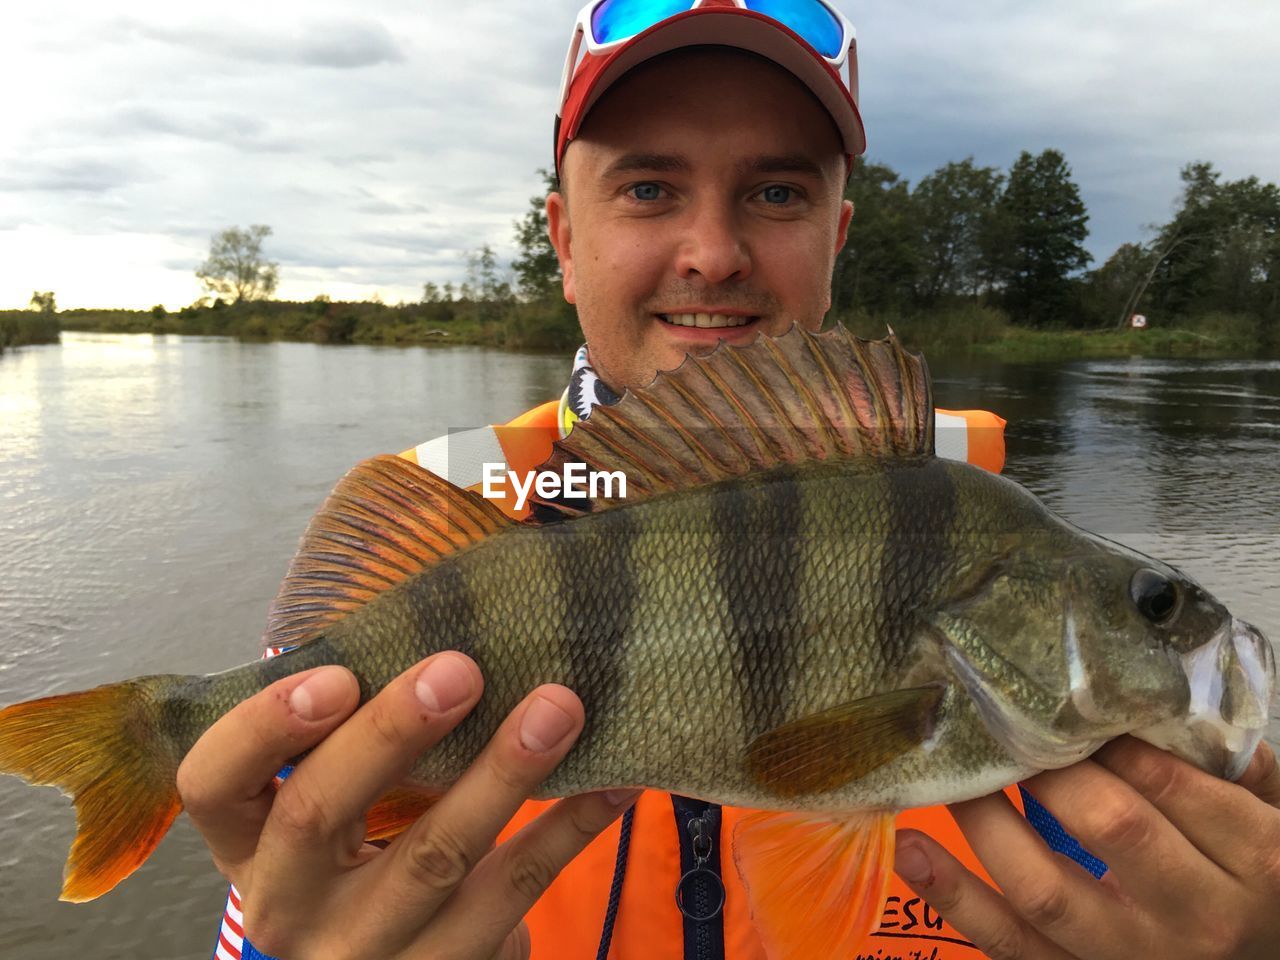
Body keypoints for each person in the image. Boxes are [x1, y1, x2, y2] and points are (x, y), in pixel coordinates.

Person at [184, 2, 1280, 958]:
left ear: (836, 235)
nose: (711, 251)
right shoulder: (433, 551)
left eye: (774, 193)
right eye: (649, 186)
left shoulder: (1064, 639)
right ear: (561, 240)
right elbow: (283, 901)